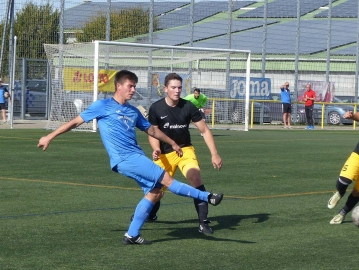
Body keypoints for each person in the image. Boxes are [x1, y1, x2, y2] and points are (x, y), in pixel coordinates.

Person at [37, 70, 224, 245]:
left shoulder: (133, 111)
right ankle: (207, 196)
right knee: (167, 180)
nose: (133, 90)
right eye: (130, 86)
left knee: (154, 192)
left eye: (134, 86)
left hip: (135, 157)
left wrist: (173, 143)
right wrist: (49, 136)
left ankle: (132, 234)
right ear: (119, 86)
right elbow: (74, 122)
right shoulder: (102, 106)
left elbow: (151, 130)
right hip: (126, 158)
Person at [132, 73, 223, 234]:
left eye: (179, 87)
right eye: (173, 87)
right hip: (164, 155)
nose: (177, 90)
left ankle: (203, 223)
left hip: (184, 150)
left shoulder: (188, 106)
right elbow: (152, 132)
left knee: (195, 177)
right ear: (165, 89)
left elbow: (204, 130)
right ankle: (150, 213)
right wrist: (156, 149)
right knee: (156, 192)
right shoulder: (156, 108)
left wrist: (214, 154)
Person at [327, 107, 359, 224]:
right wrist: (352, 116)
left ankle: (342, 214)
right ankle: (340, 192)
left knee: (357, 191)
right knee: (343, 181)